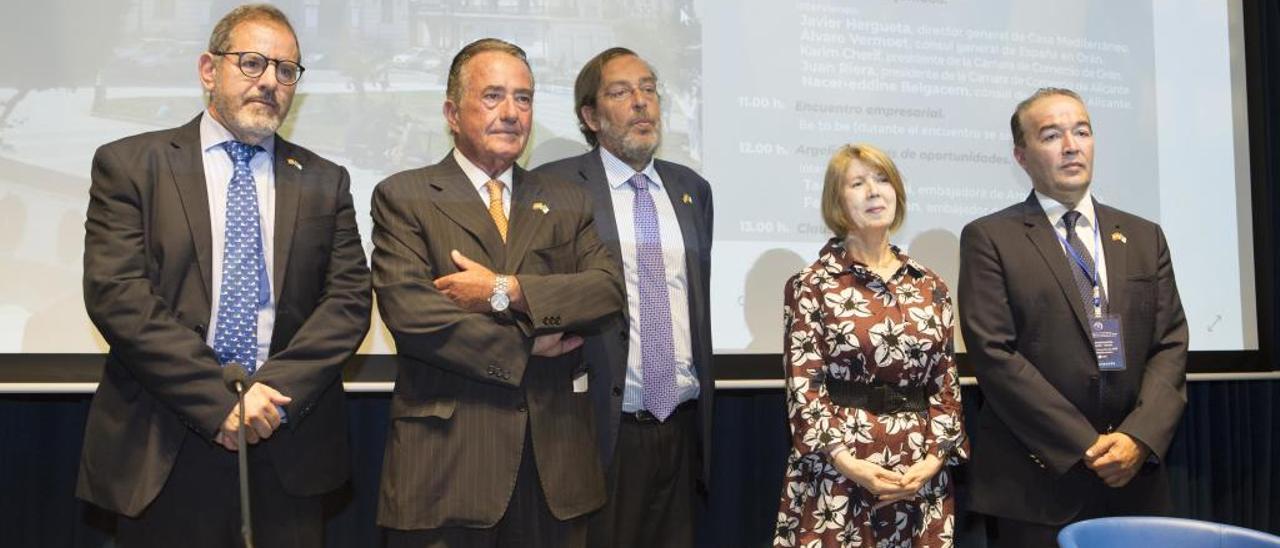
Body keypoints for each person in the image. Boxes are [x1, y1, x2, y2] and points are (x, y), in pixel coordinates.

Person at [78, 5, 372, 547]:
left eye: (287, 70)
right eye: (253, 62)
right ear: (208, 71)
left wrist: (270, 394)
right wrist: (221, 400)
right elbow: (118, 295)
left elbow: (348, 304)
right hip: (163, 441)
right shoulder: (130, 164)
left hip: (287, 439)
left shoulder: (325, 181)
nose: (270, 82)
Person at [372, 38, 624, 548]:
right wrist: (530, 342)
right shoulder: (405, 196)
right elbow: (414, 315)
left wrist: (503, 291)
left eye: (524, 98)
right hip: (447, 471)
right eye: (492, 96)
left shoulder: (567, 199)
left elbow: (604, 291)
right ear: (451, 111)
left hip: (556, 469)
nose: (511, 113)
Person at [958, 88, 1188, 547]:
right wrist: (1086, 444)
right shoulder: (990, 237)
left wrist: (1137, 439)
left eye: (1081, 131)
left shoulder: (1144, 235)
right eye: (1051, 135)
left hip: (1134, 482)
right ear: (1021, 156)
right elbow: (994, 354)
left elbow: (1170, 344)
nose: (1071, 145)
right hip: (1037, 487)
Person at [533, 47, 714, 548]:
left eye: (649, 88)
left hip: (679, 425)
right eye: (621, 92)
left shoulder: (691, 189)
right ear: (590, 116)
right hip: (596, 429)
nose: (641, 102)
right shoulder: (559, 186)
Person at [774, 144, 967, 547]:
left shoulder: (929, 284)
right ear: (837, 202)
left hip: (918, 474)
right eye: (858, 183)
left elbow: (946, 385)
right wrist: (850, 464)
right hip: (839, 474)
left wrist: (932, 462)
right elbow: (804, 389)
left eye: (882, 180)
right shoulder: (811, 285)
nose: (874, 192)